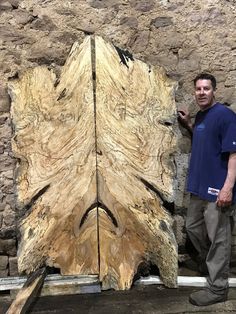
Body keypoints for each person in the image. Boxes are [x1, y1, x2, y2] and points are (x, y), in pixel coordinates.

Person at [178, 73, 236, 306]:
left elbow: (233, 154)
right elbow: (207, 140)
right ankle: (208, 262)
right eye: (198, 89)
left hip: (216, 191)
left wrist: (227, 188)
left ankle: (218, 288)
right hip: (198, 189)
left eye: (206, 89)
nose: (201, 92)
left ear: (214, 91)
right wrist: (190, 124)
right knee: (192, 227)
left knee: (219, 238)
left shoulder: (226, 116)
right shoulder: (202, 116)